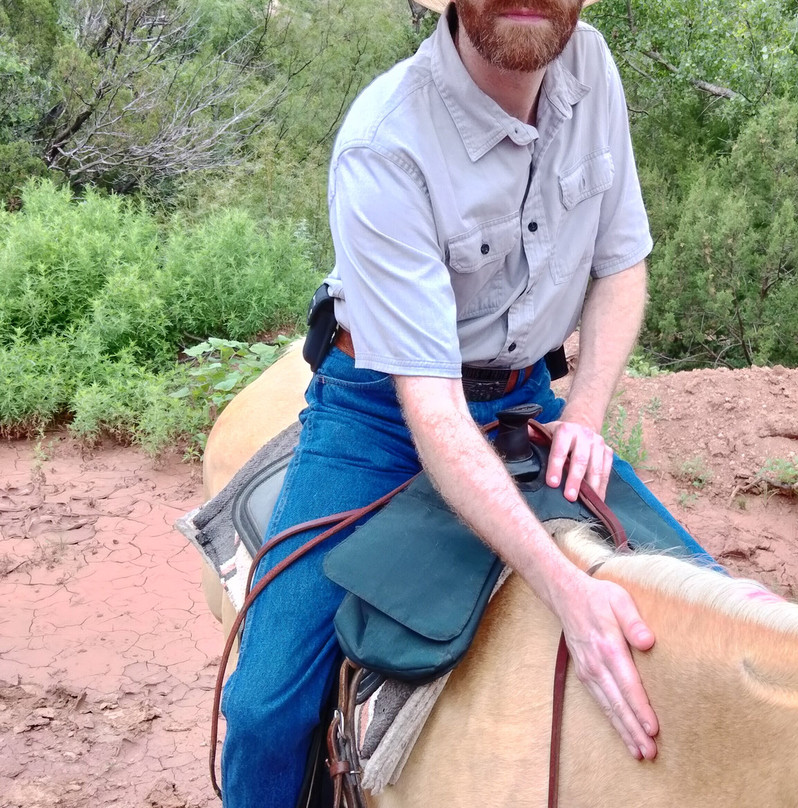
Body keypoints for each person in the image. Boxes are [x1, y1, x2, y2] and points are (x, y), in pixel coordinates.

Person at [220, 0, 713, 804]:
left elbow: (622, 263)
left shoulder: (591, 66)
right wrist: (565, 589)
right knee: (265, 704)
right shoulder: (387, 143)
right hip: (383, 410)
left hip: (525, 394)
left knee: (712, 597)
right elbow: (435, 414)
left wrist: (583, 415)